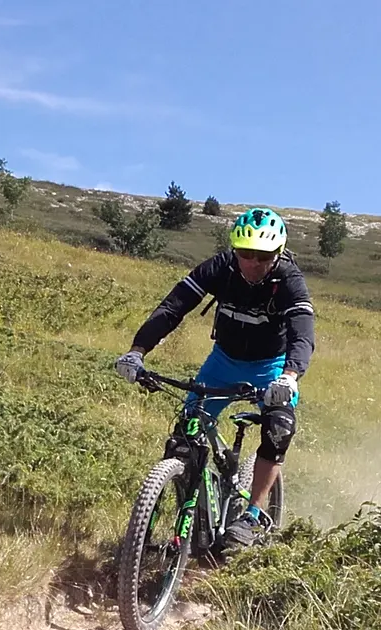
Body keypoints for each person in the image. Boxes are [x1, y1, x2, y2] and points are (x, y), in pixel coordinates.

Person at [114, 207, 315, 550]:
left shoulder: (289, 280)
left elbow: (302, 334)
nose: (252, 263)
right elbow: (173, 307)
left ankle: (252, 516)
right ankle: (184, 522)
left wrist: (290, 376)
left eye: (263, 256)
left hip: (271, 366)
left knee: (278, 430)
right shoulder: (220, 268)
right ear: (234, 249)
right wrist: (137, 351)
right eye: (245, 254)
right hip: (222, 361)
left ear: (278, 253)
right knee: (184, 438)